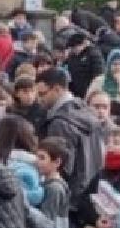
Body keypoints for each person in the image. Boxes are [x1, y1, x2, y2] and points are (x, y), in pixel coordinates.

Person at [36, 67, 104, 205]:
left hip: (70, 198)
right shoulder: (87, 111)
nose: (39, 99)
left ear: (57, 89)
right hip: (90, 192)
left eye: (42, 94)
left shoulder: (60, 123)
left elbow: (62, 167)